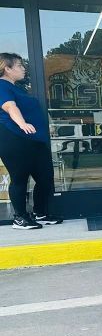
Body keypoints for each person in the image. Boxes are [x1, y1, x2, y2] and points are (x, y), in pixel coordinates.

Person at [0, 53, 62, 229]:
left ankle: (40, 213)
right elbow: (10, 107)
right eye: (19, 65)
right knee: (20, 179)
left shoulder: (19, 88)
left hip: (35, 140)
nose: (23, 68)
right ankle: (20, 218)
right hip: (15, 139)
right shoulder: (1, 86)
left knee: (45, 178)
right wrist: (23, 123)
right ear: (7, 68)